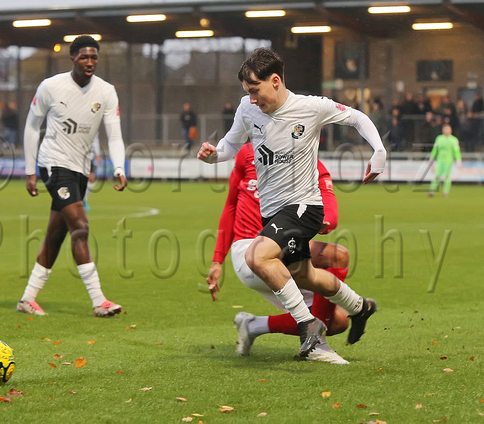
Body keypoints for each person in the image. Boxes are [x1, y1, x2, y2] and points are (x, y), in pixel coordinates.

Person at [198, 48, 386, 358]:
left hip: (303, 206)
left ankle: (307, 325)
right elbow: (230, 144)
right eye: (248, 92)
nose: (252, 99)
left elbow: (357, 118)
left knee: (257, 257)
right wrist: (213, 155)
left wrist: (379, 151)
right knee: (305, 276)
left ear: (275, 80)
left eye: (256, 91)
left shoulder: (311, 107)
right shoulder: (247, 108)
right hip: (273, 212)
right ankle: (360, 307)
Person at [207, 142, 351, 364]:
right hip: (249, 250)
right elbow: (231, 206)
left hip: (282, 249)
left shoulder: (305, 158)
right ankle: (317, 345)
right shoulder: (248, 153)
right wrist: (217, 260)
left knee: (339, 321)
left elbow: (327, 195)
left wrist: (327, 221)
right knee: (336, 255)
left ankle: (253, 326)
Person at [19, 35, 127, 317]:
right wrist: (30, 170)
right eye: (84, 57)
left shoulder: (106, 91)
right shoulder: (51, 87)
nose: (89, 62)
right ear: (72, 59)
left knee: (56, 234)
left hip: (80, 168)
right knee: (80, 225)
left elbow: (114, 135)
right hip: (53, 164)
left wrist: (119, 167)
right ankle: (99, 300)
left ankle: (27, 298)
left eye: (94, 57)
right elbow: (32, 127)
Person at [428, 123, 462, 198]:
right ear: (443, 130)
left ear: (451, 130)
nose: (446, 130)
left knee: (447, 177)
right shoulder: (439, 139)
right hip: (440, 161)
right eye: (445, 129)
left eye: (448, 129)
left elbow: (456, 151)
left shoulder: (454, 140)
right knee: (437, 176)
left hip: (448, 161)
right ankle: (432, 192)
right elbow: (435, 150)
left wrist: (458, 160)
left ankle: (445, 192)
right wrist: (432, 158)